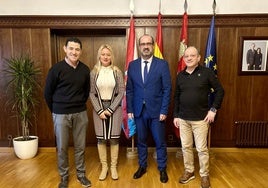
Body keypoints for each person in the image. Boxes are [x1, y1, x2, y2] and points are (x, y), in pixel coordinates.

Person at [173, 46, 224, 188]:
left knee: (201, 149)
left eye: (192, 55)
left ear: (199, 57)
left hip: (201, 119)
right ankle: (189, 171)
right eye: (186, 56)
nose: (189, 58)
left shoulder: (207, 73)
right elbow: (176, 96)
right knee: (186, 147)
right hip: (183, 119)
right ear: (183, 59)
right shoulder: (180, 76)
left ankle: (204, 175)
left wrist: (213, 110)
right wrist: (175, 115)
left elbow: (220, 91)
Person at [44, 37, 91, 188]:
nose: (74, 52)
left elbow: (86, 92)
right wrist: (56, 111)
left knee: (80, 147)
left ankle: (81, 175)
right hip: (60, 114)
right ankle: (64, 177)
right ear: (65, 49)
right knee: (62, 147)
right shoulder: (56, 69)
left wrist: (78, 104)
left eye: (77, 49)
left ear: (80, 52)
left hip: (80, 113)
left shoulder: (85, 69)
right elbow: (47, 93)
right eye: (71, 48)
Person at [126, 34, 172, 183]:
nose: (145, 46)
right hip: (138, 110)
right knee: (141, 141)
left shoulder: (162, 64)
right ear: (139, 47)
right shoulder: (132, 65)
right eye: (142, 44)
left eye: (148, 43)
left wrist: (164, 110)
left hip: (157, 112)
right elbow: (130, 90)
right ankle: (142, 166)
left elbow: (167, 89)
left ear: (153, 45)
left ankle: (162, 168)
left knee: (160, 141)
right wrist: (130, 109)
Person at [89, 44, 124, 181]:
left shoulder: (117, 71)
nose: (105, 57)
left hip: (115, 108)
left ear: (111, 57)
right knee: (101, 138)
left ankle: (113, 167)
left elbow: (121, 92)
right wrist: (99, 110)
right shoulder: (94, 72)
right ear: (99, 55)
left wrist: (110, 109)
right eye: (103, 54)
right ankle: (104, 167)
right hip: (98, 108)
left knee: (114, 138)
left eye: (108, 54)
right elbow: (91, 93)